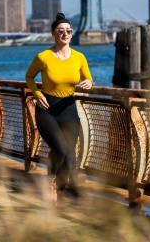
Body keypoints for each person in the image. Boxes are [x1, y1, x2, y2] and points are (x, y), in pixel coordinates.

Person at [25, 12, 93, 201]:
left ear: (71, 34)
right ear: (54, 34)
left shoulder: (79, 57)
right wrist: (37, 94)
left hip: (68, 108)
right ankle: (50, 183)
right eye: (60, 31)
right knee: (61, 150)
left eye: (68, 31)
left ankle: (60, 190)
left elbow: (88, 78)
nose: (65, 34)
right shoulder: (43, 57)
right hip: (47, 109)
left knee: (70, 155)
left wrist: (88, 83)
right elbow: (29, 77)